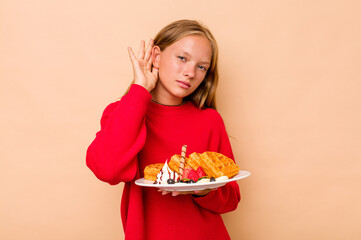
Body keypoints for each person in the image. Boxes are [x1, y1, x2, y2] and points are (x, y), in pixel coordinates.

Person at [86, 19, 240, 240]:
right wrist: (139, 91)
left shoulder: (210, 120)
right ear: (157, 57)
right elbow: (107, 170)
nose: (190, 72)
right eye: (182, 58)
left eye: (201, 67)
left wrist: (204, 189)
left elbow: (231, 198)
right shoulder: (123, 112)